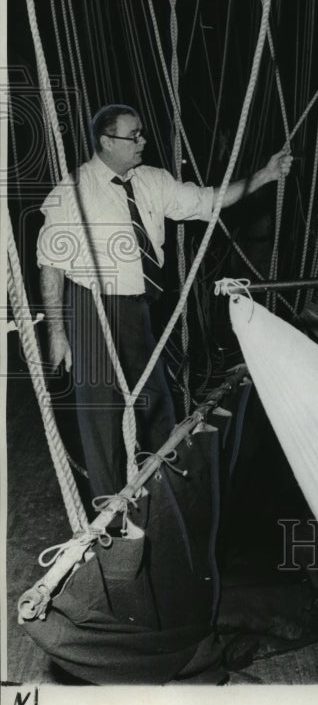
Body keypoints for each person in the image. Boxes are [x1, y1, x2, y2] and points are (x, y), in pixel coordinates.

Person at [37, 103, 292, 503]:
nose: (143, 141)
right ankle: (111, 508)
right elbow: (50, 265)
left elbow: (211, 200)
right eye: (133, 135)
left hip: (139, 308)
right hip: (92, 309)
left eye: (141, 133)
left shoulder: (154, 181)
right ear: (107, 141)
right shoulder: (71, 192)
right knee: (101, 415)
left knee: (157, 404)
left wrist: (264, 175)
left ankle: (171, 494)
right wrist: (57, 332)